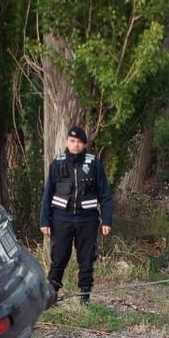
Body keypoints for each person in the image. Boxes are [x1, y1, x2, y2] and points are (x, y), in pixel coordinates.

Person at [40, 126, 113, 304]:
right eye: (72, 141)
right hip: (61, 219)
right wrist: (44, 220)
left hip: (87, 220)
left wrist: (107, 220)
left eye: (79, 142)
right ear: (67, 142)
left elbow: (105, 194)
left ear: (85, 144)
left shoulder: (94, 164)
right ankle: (52, 294)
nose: (75, 145)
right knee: (59, 257)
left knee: (86, 258)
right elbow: (47, 194)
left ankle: (84, 296)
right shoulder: (58, 163)